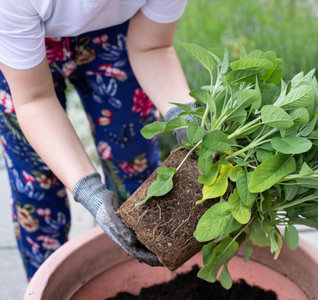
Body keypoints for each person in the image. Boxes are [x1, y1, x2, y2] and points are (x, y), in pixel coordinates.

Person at [0, 0, 195, 279]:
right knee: (37, 195)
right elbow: (35, 99)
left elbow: (153, 48)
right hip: (19, 55)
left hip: (118, 35)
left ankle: (137, 278)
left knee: (136, 173)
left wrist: (185, 115)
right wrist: (90, 191)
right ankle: (49, 284)